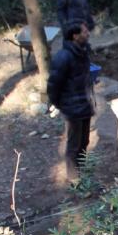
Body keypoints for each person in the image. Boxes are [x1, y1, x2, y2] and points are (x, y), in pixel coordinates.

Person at [47, 21, 95, 178]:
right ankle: (74, 180)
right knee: (74, 145)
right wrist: (60, 104)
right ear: (75, 36)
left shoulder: (83, 52)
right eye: (84, 31)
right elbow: (53, 85)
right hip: (73, 108)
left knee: (84, 142)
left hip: (85, 105)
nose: (88, 33)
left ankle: (81, 172)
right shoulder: (63, 57)